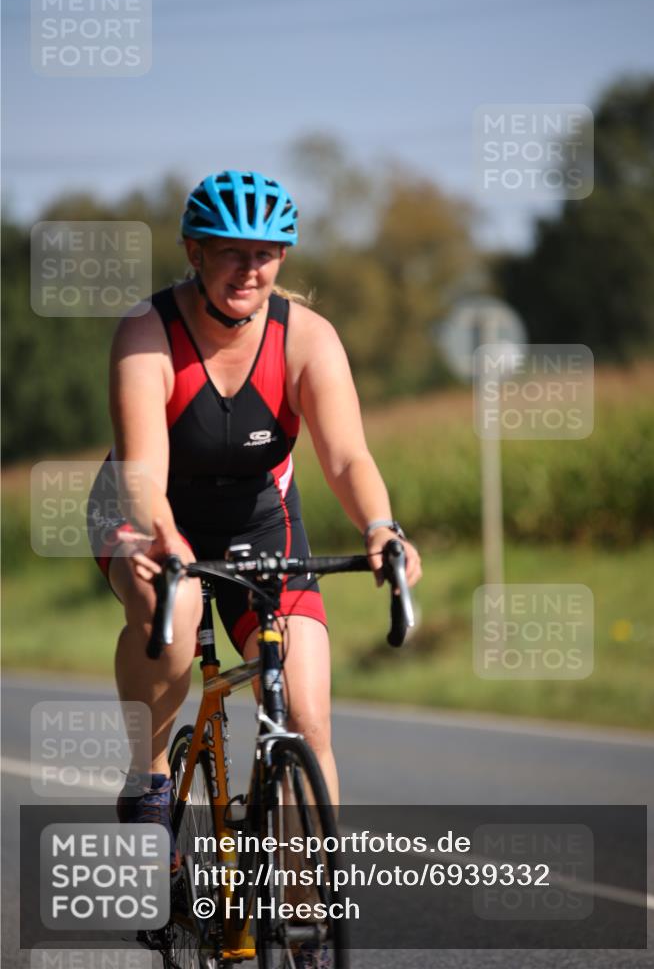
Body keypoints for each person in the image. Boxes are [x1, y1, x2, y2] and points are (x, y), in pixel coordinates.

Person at [87, 166, 421, 891]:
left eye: (264, 254)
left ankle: (304, 909)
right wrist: (165, 539)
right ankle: (149, 779)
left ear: (283, 258)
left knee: (306, 716)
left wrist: (379, 526)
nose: (249, 269)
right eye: (231, 252)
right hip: (144, 509)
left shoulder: (307, 338)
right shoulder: (147, 332)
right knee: (173, 604)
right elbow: (142, 473)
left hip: (259, 518)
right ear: (194, 252)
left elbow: (347, 456)